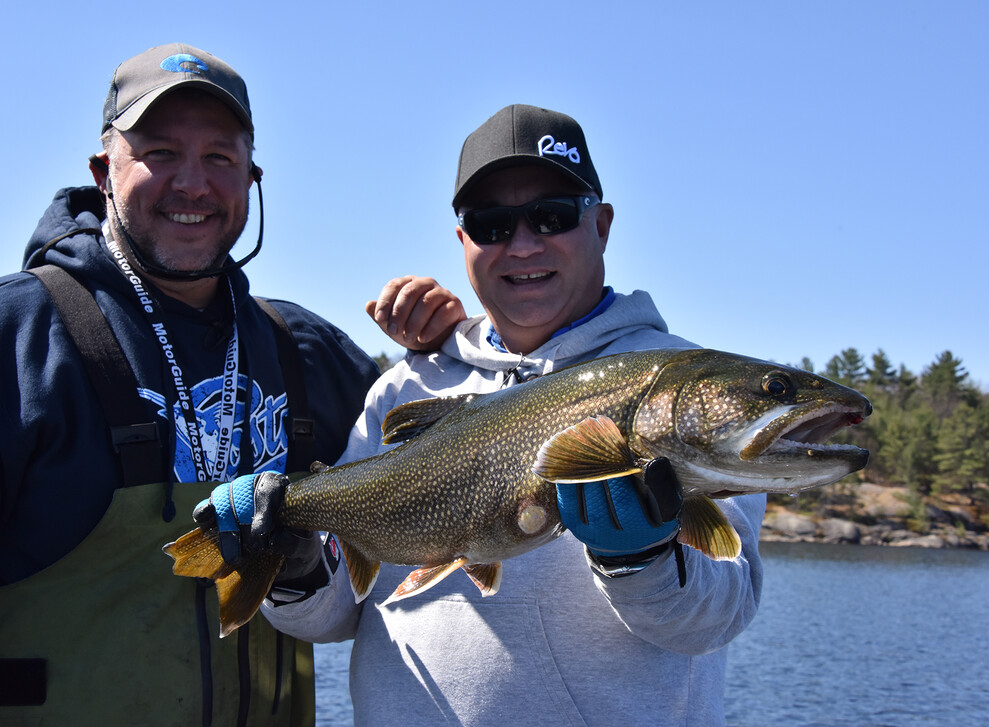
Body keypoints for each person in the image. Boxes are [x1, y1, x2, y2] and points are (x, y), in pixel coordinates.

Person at [0, 43, 458, 726]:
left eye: (220, 158)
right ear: (102, 172)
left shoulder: (309, 355)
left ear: (252, 178)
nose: (193, 184)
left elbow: (444, 486)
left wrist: (444, 352)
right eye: (161, 152)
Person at [213, 104, 767, 725]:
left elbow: (714, 618)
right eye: (491, 224)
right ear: (464, 242)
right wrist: (294, 568)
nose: (523, 245)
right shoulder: (405, 386)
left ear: (602, 225)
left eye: (553, 216)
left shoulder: (677, 385)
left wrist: (643, 561)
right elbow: (336, 612)